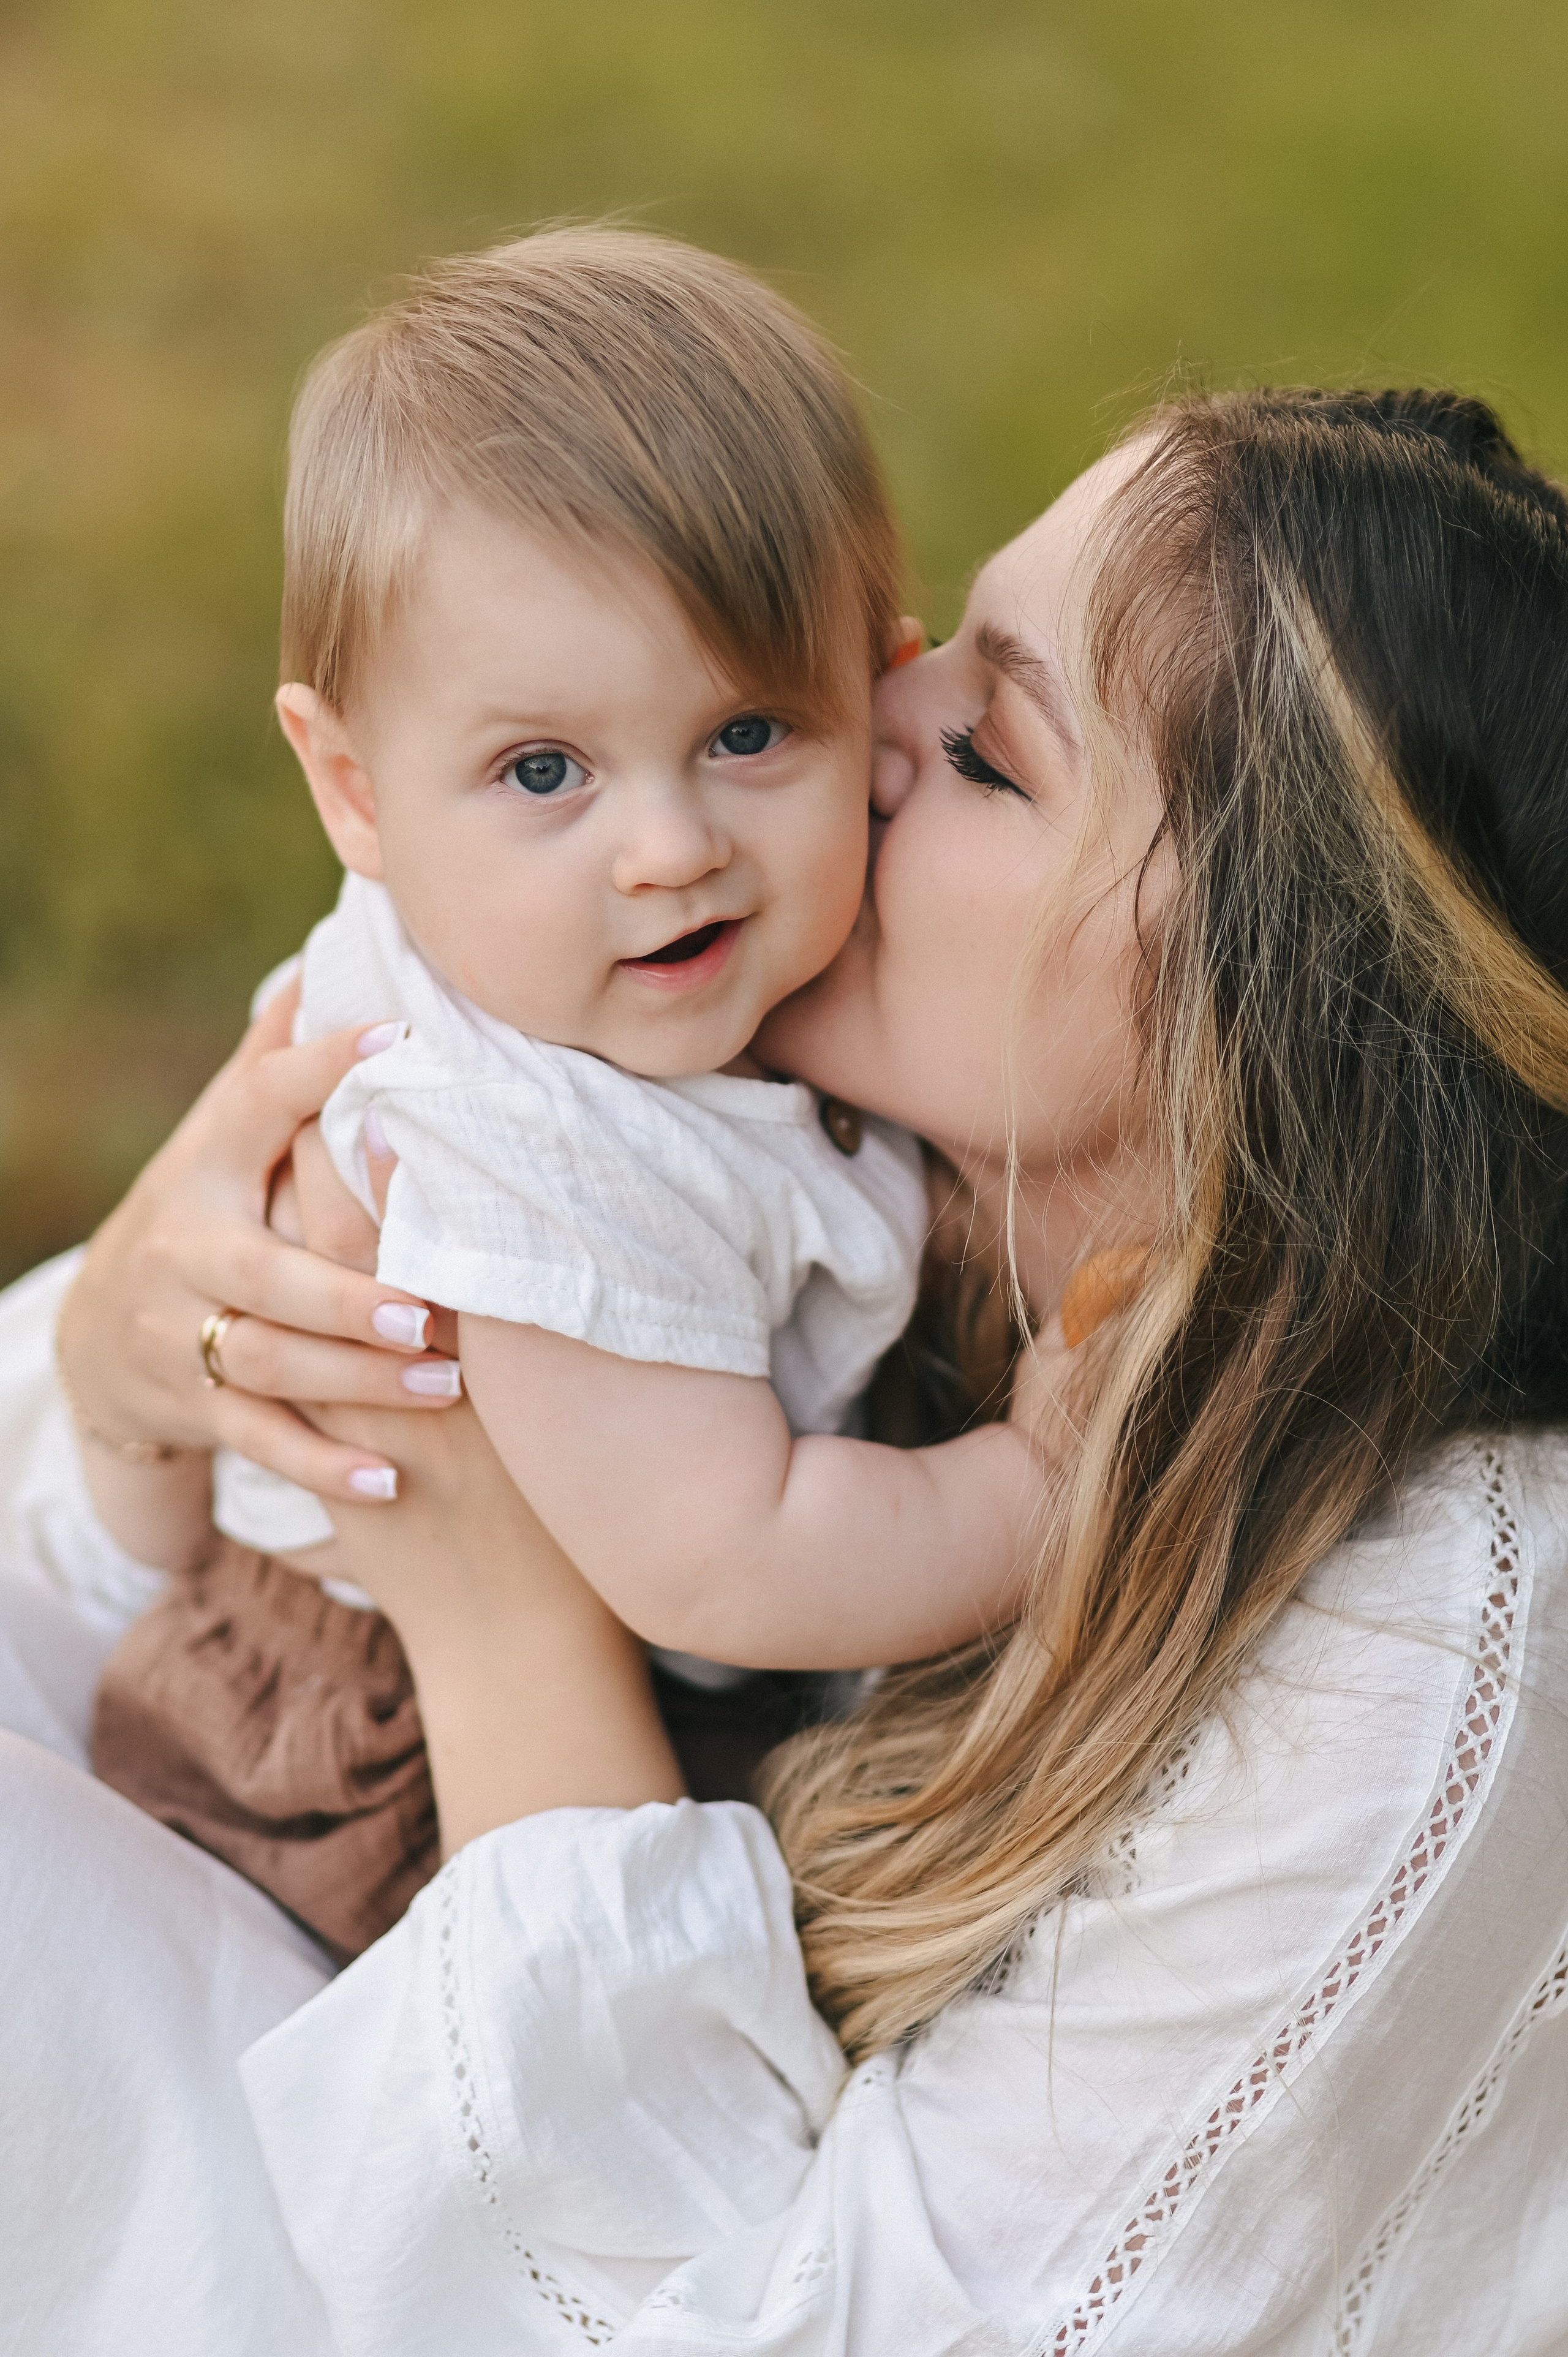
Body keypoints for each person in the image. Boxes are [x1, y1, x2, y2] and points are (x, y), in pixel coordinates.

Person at [4, 382, 1567, 2353]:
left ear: (1277, 1022)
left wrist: (495, 1604)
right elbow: (80, 1586)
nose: (862, 700)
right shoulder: (772, 1138)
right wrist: (125, 1356)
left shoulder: (1431, 1649)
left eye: (991, 744)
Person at [79, 228, 1054, 1956]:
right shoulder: (527, 1144)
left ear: (878, 680)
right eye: (544, 771)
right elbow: (733, 1565)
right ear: (354, 790)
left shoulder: (585, 970)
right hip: (379, 1777)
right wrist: (1053, 1486)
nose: (672, 850)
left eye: (752, 734)